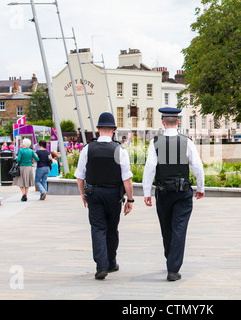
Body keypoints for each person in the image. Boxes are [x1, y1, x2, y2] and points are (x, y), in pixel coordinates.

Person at [142, 108, 205, 281]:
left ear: (163, 122)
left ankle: (170, 260)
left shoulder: (155, 142)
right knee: (179, 229)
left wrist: (147, 192)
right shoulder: (187, 142)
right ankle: (173, 267)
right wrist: (201, 187)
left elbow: (149, 168)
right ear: (178, 122)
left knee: (166, 228)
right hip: (183, 192)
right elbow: (197, 166)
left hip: (162, 193)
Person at [75, 112, 134, 280]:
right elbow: (126, 179)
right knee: (112, 228)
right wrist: (130, 199)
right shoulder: (119, 150)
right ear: (113, 130)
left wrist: (83, 194)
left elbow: (80, 177)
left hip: (94, 193)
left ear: (98, 129)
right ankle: (111, 261)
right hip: (114, 195)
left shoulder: (88, 149)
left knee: (98, 228)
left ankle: (101, 266)